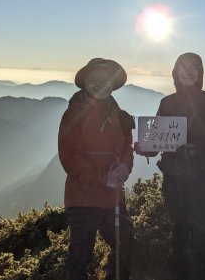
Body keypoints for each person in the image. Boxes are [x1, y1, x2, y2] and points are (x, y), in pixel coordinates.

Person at [136, 52, 205, 280]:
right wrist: (146, 148)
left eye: (193, 69)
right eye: (183, 68)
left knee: (203, 230)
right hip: (175, 178)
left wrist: (198, 149)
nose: (188, 72)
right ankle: (180, 272)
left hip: (203, 177)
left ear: (200, 73)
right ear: (176, 73)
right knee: (179, 227)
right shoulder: (167, 103)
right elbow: (158, 140)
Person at [58, 58, 135, 280]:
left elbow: (126, 147)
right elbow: (70, 157)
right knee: (80, 256)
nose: (100, 84)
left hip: (112, 198)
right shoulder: (74, 113)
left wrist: (125, 167)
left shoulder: (119, 114)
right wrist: (105, 178)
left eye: (106, 79)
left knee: (125, 242)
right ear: (85, 82)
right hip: (82, 199)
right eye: (94, 79)